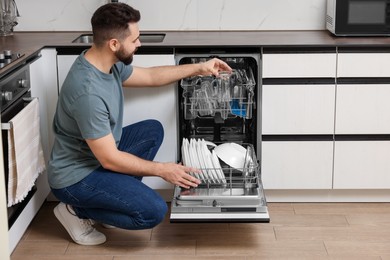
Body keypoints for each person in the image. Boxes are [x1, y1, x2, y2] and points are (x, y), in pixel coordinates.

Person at [47, 2, 232, 246]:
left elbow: (152, 76)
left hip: (94, 158)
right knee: (153, 211)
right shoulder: (87, 93)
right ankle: (76, 210)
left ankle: (108, 200)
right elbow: (110, 159)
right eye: (135, 40)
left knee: (151, 130)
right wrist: (162, 169)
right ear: (114, 44)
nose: (139, 44)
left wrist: (199, 68)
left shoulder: (106, 64)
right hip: (75, 177)